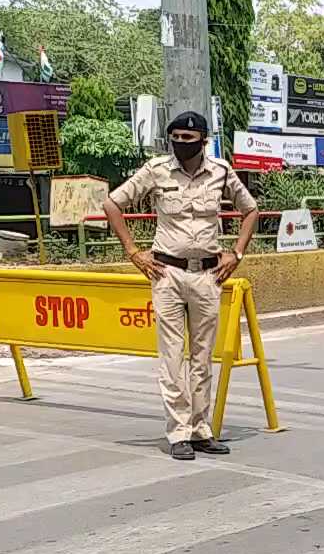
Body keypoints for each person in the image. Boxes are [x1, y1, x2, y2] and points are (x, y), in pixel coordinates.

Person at [100, 111, 261, 460]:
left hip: (208, 275)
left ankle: (201, 429)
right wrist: (133, 252)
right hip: (166, 274)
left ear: (204, 140)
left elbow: (251, 210)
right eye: (176, 137)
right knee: (172, 358)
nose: (181, 144)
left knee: (202, 357)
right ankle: (179, 433)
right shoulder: (156, 169)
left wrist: (236, 253)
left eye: (190, 139)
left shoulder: (221, 171)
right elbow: (112, 203)